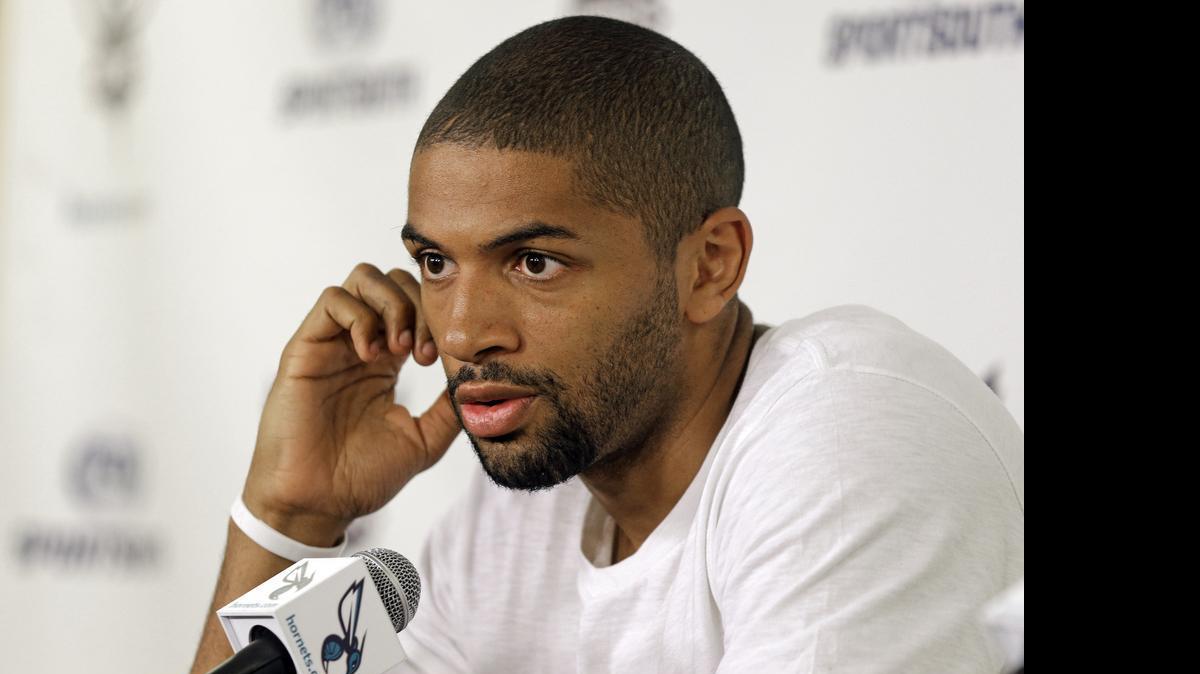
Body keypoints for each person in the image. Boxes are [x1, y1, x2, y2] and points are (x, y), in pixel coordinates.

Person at [190, 15, 1024, 674]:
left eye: (534, 262)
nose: (464, 331)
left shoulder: (848, 442)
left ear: (710, 265)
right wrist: (290, 519)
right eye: (435, 263)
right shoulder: (519, 516)